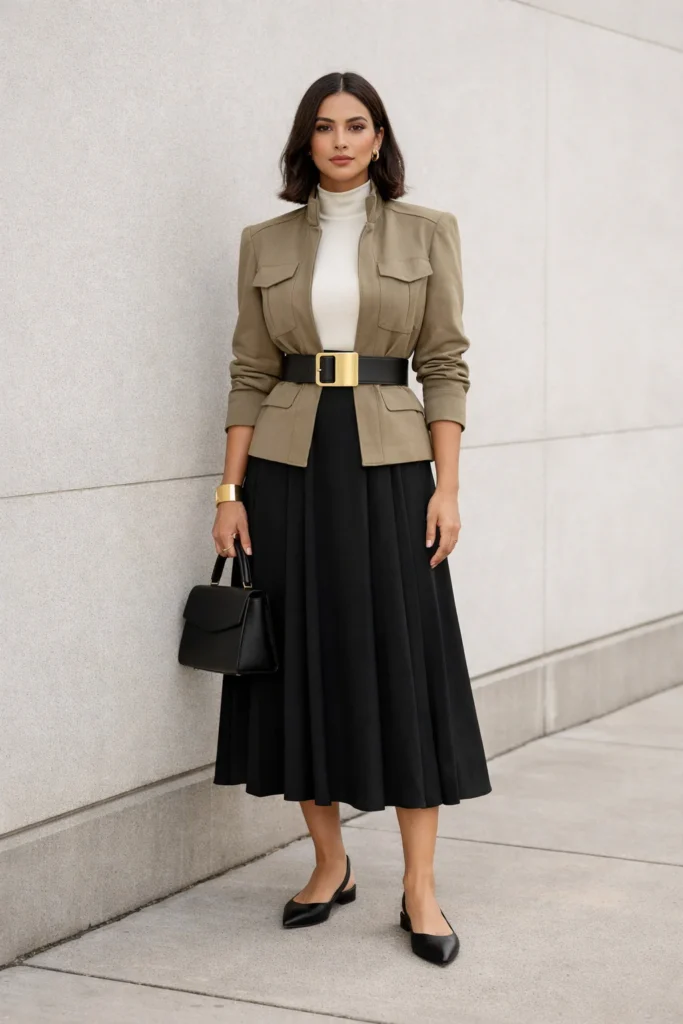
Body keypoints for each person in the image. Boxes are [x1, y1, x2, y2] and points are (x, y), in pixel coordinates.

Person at [211, 71, 491, 967]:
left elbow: (443, 361)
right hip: (289, 470)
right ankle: (329, 862)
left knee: (402, 656)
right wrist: (229, 492)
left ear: (379, 139)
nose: (339, 140)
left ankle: (418, 885)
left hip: (391, 469)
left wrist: (446, 487)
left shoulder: (426, 232)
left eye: (356, 125)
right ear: (305, 141)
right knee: (296, 654)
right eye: (324, 126)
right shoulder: (263, 241)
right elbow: (250, 369)